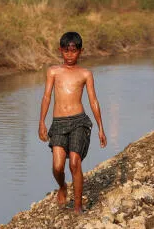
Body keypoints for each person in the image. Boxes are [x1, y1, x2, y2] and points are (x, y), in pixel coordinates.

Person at [38, 31, 107, 213]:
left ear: (80, 51)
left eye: (74, 51)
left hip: (79, 121)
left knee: (74, 162)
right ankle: (62, 186)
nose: (70, 55)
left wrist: (101, 128)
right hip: (59, 122)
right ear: (60, 50)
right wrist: (41, 122)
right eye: (66, 51)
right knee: (57, 166)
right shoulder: (53, 71)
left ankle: (78, 205)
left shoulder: (85, 74)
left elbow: (93, 101)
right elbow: (46, 97)